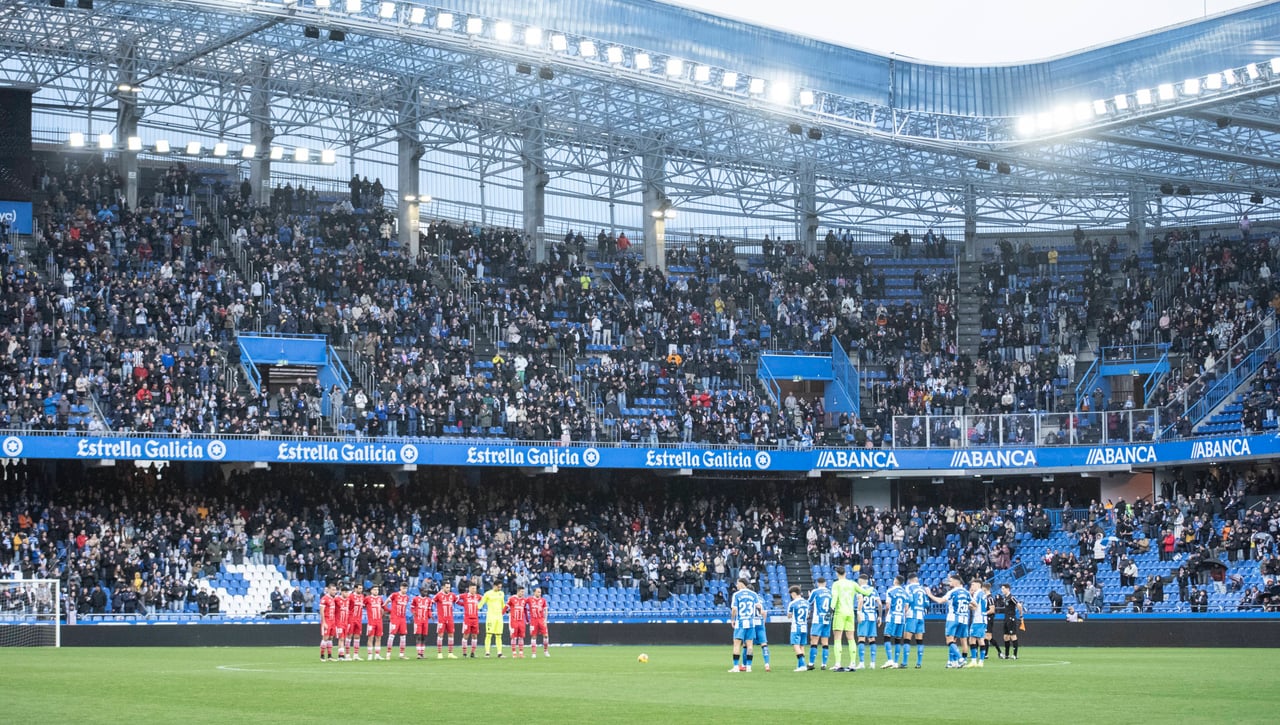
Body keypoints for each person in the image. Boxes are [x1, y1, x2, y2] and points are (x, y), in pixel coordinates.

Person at [829, 565, 875, 671]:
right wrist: (872, 586)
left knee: (837, 638)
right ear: (845, 573)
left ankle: (838, 663)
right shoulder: (852, 584)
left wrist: (831, 610)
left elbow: (835, 598)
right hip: (850, 613)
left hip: (840, 613)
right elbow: (866, 593)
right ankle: (853, 663)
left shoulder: (836, 584)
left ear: (837, 574)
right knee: (851, 638)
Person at [927, 574, 973, 669]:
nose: (949, 583)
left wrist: (929, 594)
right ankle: (952, 661)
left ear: (956, 581)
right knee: (957, 640)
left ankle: (960, 659)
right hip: (964, 619)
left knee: (949, 639)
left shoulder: (952, 592)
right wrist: (965, 606)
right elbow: (975, 605)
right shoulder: (967, 593)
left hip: (953, 618)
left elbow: (940, 601)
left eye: (951, 581)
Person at [729, 578, 760, 673]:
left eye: (738, 584)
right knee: (750, 645)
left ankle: (735, 667)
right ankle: (749, 667)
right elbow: (758, 607)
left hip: (740, 622)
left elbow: (734, 609)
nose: (737, 586)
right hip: (750, 623)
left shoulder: (737, 595)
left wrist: (732, 619)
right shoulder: (754, 594)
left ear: (742, 584)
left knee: (737, 644)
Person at [855, 572, 881, 670]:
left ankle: (861, 662)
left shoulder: (860, 590)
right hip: (872, 617)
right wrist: (880, 616)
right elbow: (879, 604)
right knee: (872, 639)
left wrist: (858, 612)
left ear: (860, 581)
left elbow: (860, 601)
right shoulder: (873, 590)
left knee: (861, 638)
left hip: (864, 616)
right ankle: (873, 663)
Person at [882, 576, 909, 669]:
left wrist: (886, 615)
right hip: (901, 618)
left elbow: (888, 606)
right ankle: (896, 662)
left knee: (887, 637)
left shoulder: (890, 591)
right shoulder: (905, 593)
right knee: (898, 639)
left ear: (896, 581)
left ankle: (890, 660)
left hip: (892, 617)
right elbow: (906, 608)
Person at [807, 577, 832, 670]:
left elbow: (808, 602)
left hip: (818, 619)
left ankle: (811, 663)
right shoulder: (830, 592)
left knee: (814, 641)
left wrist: (810, 595)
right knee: (825, 642)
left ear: (818, 583)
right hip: (827, 619)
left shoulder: (815, 591)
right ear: (825, 583)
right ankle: (824, 664)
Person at [904, 573, 928, 668]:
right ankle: (919, 663)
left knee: (907, 639)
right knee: (919, 640)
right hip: (921, 616)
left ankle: (905, 663)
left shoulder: (909, 587)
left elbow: (908, 600)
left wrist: (905, 613)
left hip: (912, 615)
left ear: (910, 580)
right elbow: (926, 603)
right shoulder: (922, 589)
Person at [786, 585, 810, 672]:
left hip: (796, 627)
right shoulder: (807, 603)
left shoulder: (792, 603)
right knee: (802, 645)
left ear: (793, 593)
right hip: (804, 626)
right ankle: (800, 665)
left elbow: (789, 616)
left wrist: (792, 614)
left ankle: (802, 664)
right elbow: (807, 616)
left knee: (795, 645)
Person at [432, 581, 459, 658]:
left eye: (449, 587)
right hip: (442, 619)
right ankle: (439, 653)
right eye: (447, 587)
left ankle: (450, 653)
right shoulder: (438, 595)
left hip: (450, 618)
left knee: (451, 635)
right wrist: (429, 612)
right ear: (443, 587)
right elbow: (431, 602)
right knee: (440, 635)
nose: (448, 589)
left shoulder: (452, 595)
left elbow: (458, 602)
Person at [998, 583, 1024, 660]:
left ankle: (1015, 655)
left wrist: (1021, 615)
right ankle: (1006, 655)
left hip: (1011, 618)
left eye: (1003, 589)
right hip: (1006, 618)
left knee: (1013, 635)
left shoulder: (1011, 597)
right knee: (1006, 636)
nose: (1002, 590)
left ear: (1008, 589)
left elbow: (1019, 605)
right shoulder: (1005, 598)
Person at [480, 581, 506, 657]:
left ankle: (499, 653)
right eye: (498, 587)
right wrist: (476, 608)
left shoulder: (501, 594)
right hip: (491, 617)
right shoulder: (488, 594)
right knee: (489, 635)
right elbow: (481, 603)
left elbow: (503, 605)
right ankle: (487, 653)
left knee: (499, 635)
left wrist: (505, 611)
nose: (499, 588)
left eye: (500, 587)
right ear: (494, 586)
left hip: (499, 617)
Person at [386, 582, 410, 660]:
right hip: (395, 618)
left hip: (403, 618)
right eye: (403, 588)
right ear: (400, 588)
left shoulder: (407, 597)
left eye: (406, 588)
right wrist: (389, 611)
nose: (405, 590)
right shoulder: (394, 595)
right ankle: (388, 654)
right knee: (392, 635)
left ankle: (401, 654)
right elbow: (386, 602)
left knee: (403, 636)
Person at [750, 582, 772, 672]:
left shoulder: (748, 598)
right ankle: (767, 665)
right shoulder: (761, 599)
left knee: (747, 645)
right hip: (760, 623)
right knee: (764, 645)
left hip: (751, 623)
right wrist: (763, 623)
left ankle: (746, 665)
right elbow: (764, 612)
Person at [967, 580, 989, 667]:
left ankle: (975, 661)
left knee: (973, 639)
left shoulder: (978, 594)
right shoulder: (982, 594)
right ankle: (980, 661)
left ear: (978, 585)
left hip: (978, 619)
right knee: (980, 639)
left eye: (973, 584)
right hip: (983, 619)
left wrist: (967, 603)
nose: (971, 586)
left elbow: (974, 606)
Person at [457, 582, 481, 658]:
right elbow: (455, 598)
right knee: (466, 635)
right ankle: (464, 653)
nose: (474, 590)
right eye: (473, 588)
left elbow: (485, 600)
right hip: (467, 619)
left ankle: (472, 653)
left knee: (475, 636)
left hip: (475, 619)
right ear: (469, 588)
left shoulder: (478, 596)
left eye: (475, 589)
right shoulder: (464, 596)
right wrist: (462, 604)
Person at [505, 585, 528, 659]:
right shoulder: (512, 598)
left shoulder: (524, 600)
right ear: (518, 591)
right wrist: (501, 614)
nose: (522, 593)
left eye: (523, 592)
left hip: (521, 621)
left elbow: (525, 610)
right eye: (521, 592)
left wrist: (527, 619)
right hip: (514, 620)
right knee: (513, 637)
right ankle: (514, 653)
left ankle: (521, 653)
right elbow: (506, 607)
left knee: (521, 637)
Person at [410, 586, 433, 659]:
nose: (425, 593)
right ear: (421, 591)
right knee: (418, 636)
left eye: (426, 592)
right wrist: (413, 612)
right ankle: (418, 653)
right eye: (424, 591)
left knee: (424, 637)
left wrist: (430, 615)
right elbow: (412, 607)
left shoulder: (428, 600)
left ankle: (422, 653)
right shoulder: (416, 599)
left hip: (425, 620)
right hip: (418, 620)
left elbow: (429, 609)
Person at [363, 585, 386, 660]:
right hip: (371, 621)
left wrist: (390, 611)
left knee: (378, 638)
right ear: (371, 591)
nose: (376, 591)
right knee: (370, 638)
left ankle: (377, 655)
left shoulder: (380, 599)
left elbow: (383, 607)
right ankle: (370, 655)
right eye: (375, 590)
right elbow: (362, 605)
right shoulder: (367, 598)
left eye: (377, 590)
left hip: (379, 621)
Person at [527, 586, 550, 658]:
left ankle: (546, 651)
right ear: (534, 592)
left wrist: (545, 619)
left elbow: (546, 610)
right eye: (538, 592)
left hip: (541, 619)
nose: (539, 593)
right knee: (534, 636)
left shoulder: (543, 600)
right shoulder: (530, 599)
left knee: (546, 635)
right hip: (533, 620)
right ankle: (534, 653)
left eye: (540, 592)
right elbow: (522, 602)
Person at [347, 584, 365, 660]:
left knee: (357, 636)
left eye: (361, 588)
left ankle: (355, 654)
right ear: (355, 589)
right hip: (351, 618)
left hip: (359, 619)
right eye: (359, 588)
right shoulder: (350, 596)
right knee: (349, 636)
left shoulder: (362, 596)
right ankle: (347, 654)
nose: (361, 590)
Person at [319, 583, 337, 661]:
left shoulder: (333, 599)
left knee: (330, 638)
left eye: (335, 590)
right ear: (329, 590)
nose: (334, 591)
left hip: (333, 621)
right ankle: (322, 656)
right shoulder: (324, 598)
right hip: (327, 621)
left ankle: (329, 656)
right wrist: (324, 622)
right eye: (333, 590)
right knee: (325, 638)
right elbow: (321, 611)